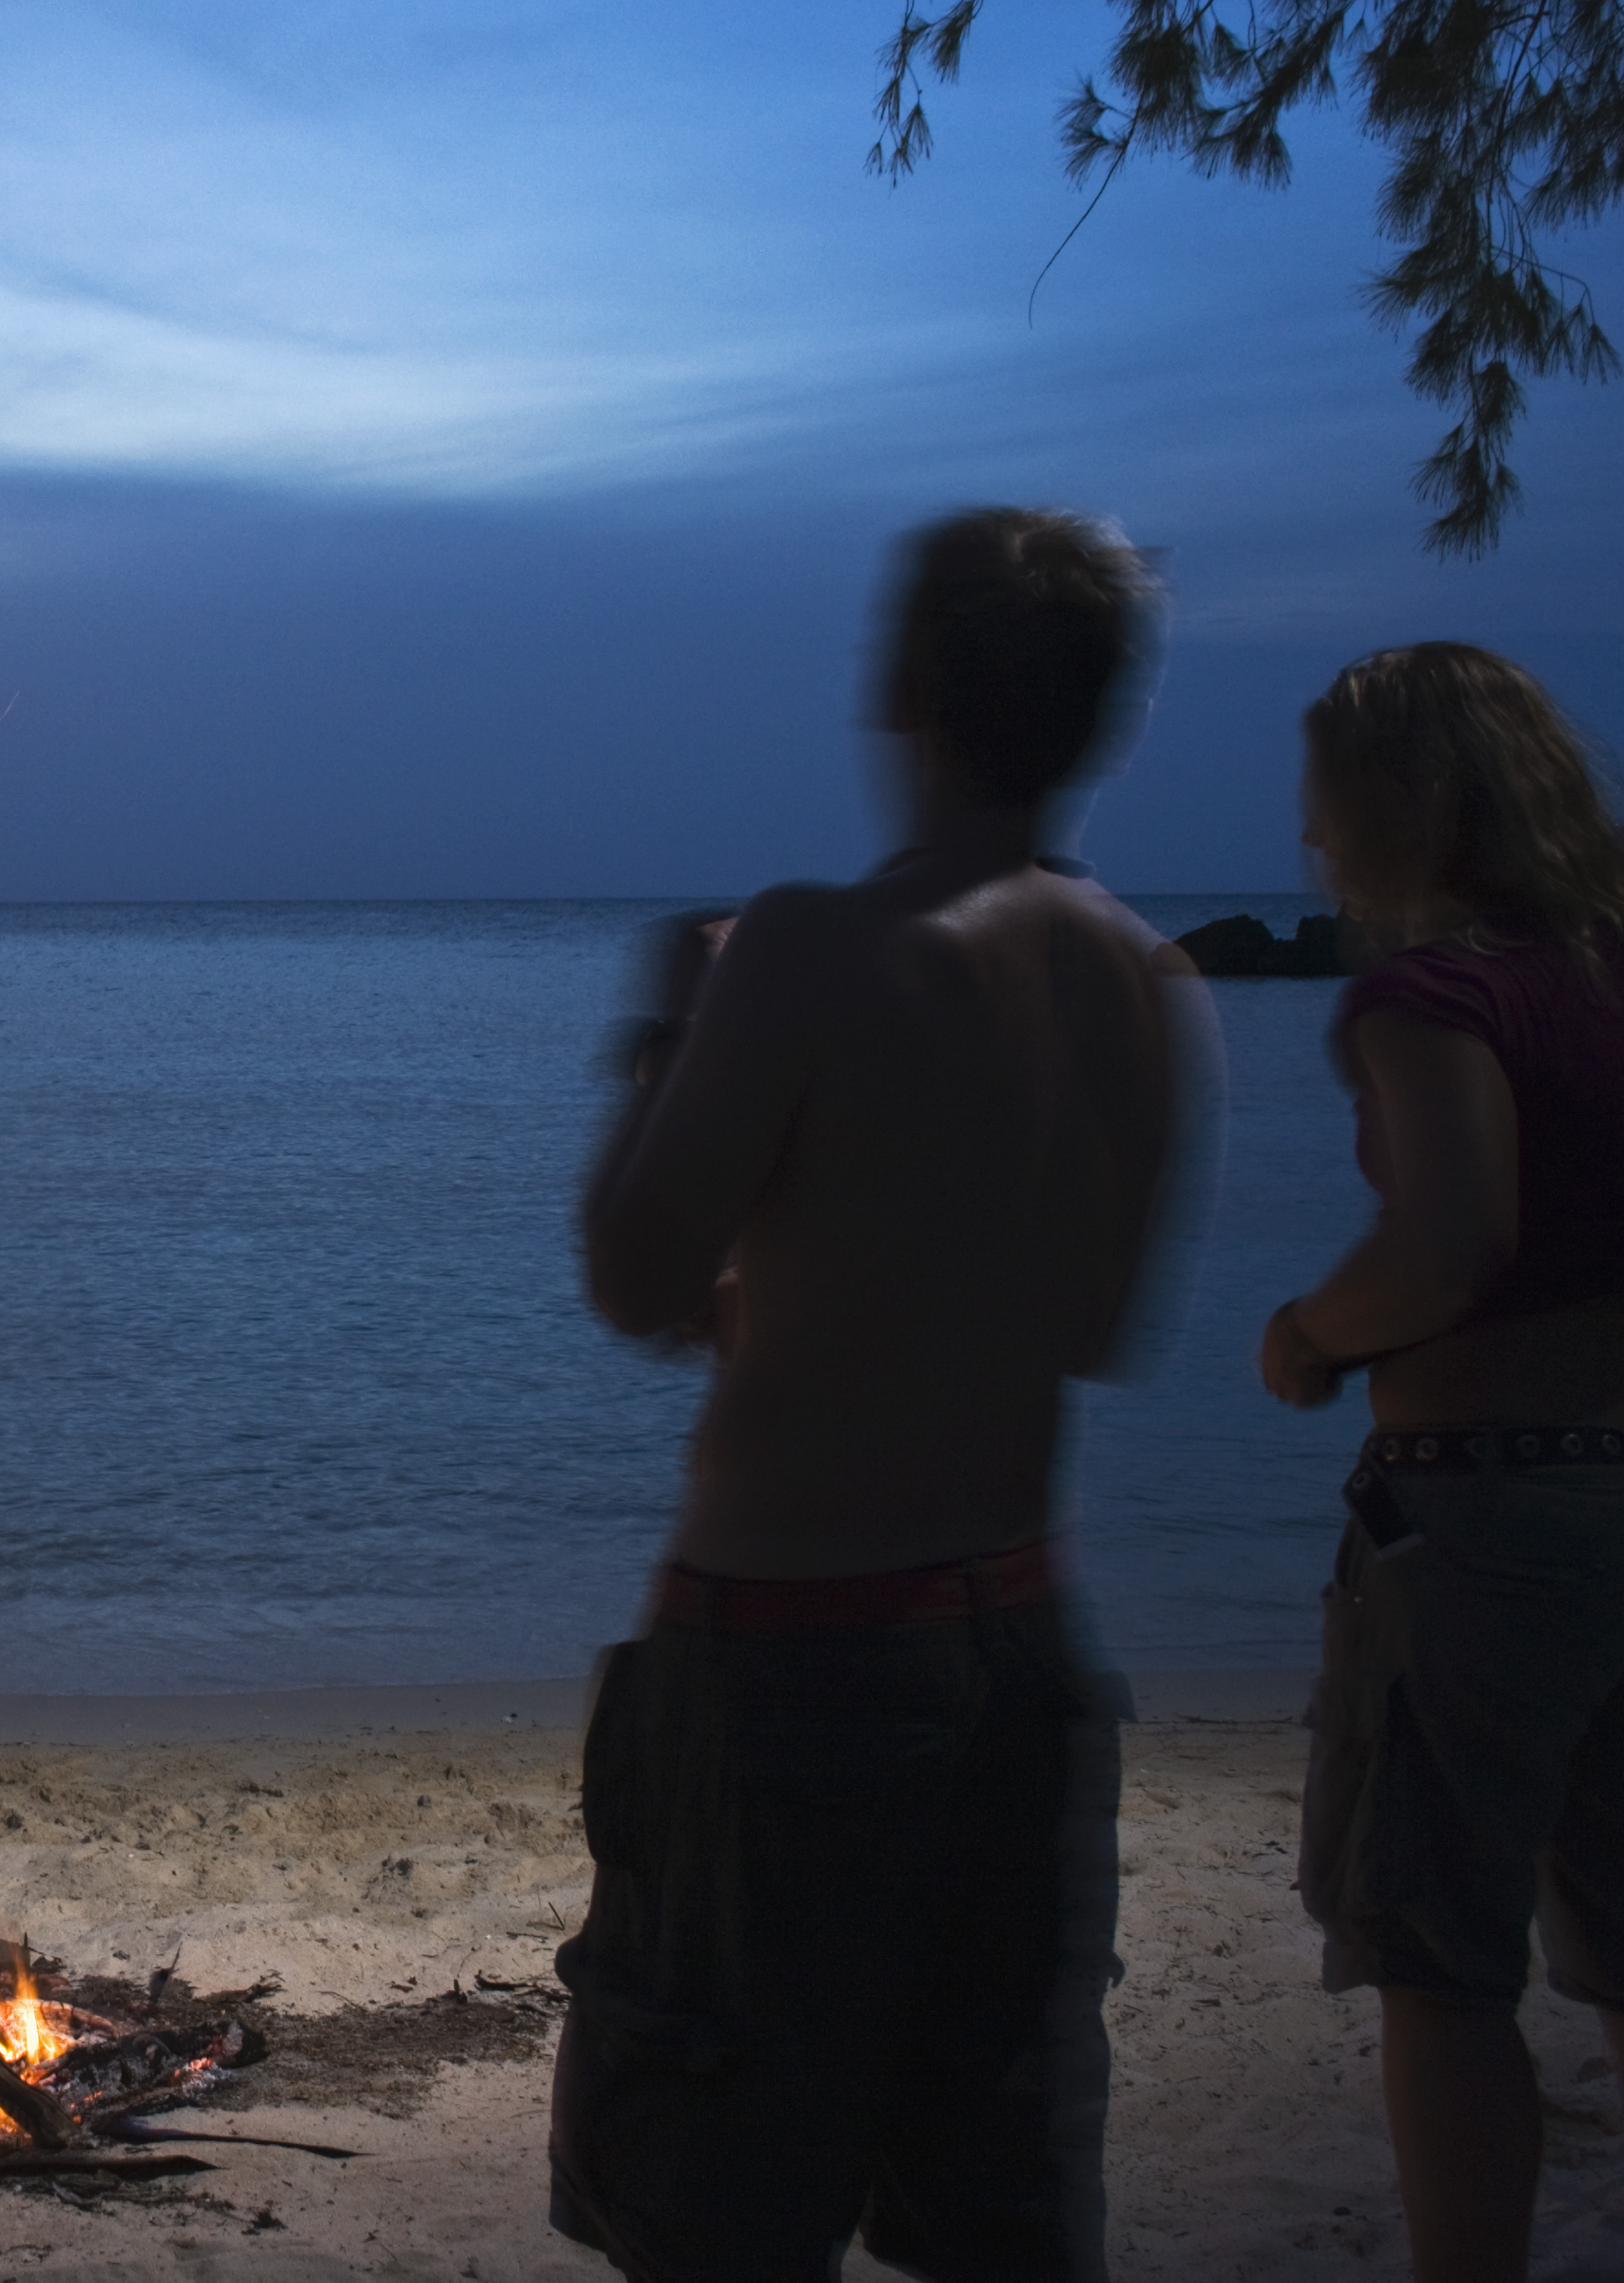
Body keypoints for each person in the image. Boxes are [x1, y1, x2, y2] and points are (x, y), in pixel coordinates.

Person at [558, 508, 1205, 2280]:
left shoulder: (801, 948)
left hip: (785, 1656)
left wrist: (664, 1034)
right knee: (992, 2201)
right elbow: (1083, 1317)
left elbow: (630, 1271)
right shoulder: (1151, 987)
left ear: (903, 684)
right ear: (1098, 716)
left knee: (715, 2195)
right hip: (1016, 1642)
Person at [1259, 642, 1624, 2283]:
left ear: (1397, 804)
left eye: (1323, 807)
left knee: (1441, 1965)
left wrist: (1312, 1332)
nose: (1309, 843)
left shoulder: (1425, 993)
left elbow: (1445, 1236)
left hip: (1480, 1522)